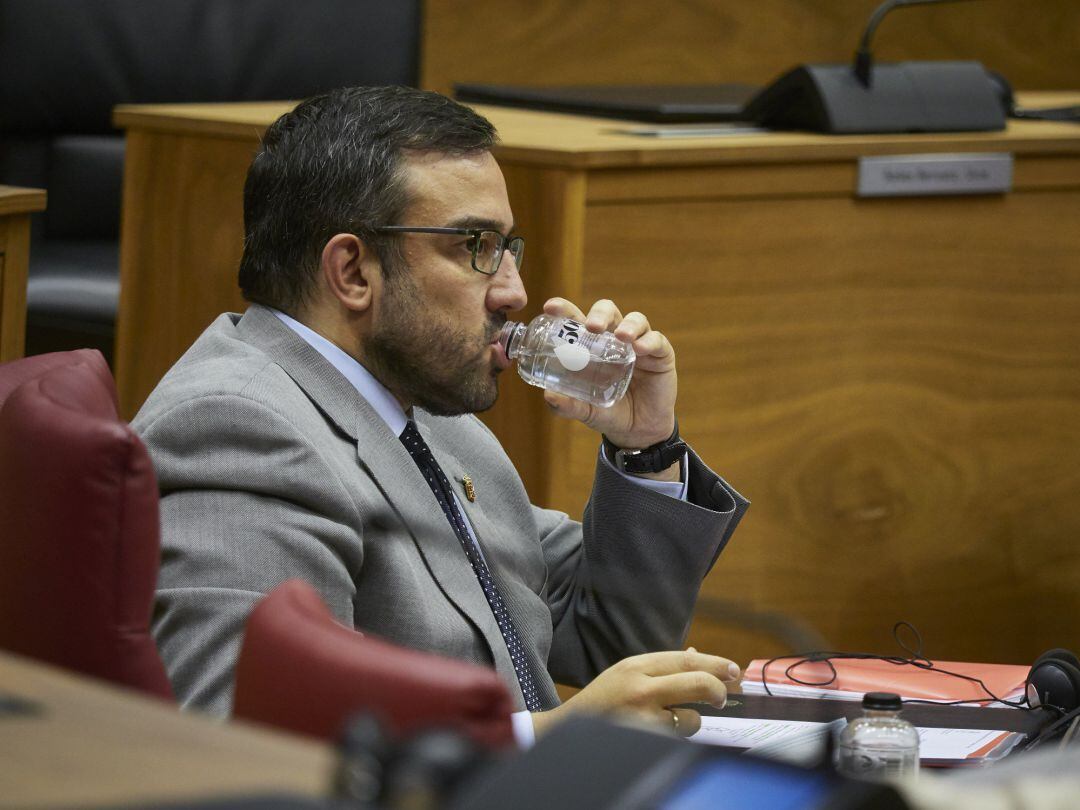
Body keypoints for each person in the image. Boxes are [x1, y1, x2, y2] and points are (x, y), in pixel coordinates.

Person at [133, 85, 749, 741]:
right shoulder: (238, 431)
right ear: (352, 271)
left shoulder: (428, 413)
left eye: (509, 248)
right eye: (474, 246)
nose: (514, 291)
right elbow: (243, 744)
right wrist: (541, 739)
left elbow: (607, 638)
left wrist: (645, 448)